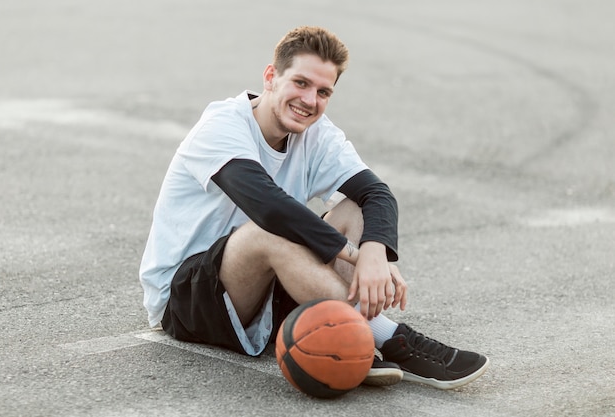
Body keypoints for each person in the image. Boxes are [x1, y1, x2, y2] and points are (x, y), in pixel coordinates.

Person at [139, 26, 489, 389]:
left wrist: (376, 253)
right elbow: (270, 209)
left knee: (354, 206)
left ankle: (348, 341)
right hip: (188, 299)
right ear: (271, 76)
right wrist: (355, 256)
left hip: (266, 288)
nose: (310, 100)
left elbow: (377, 194)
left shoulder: (317, 134)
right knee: (268, 233)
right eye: (301, 83)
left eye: (323, 92)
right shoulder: (221, 127)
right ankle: (386, 337)